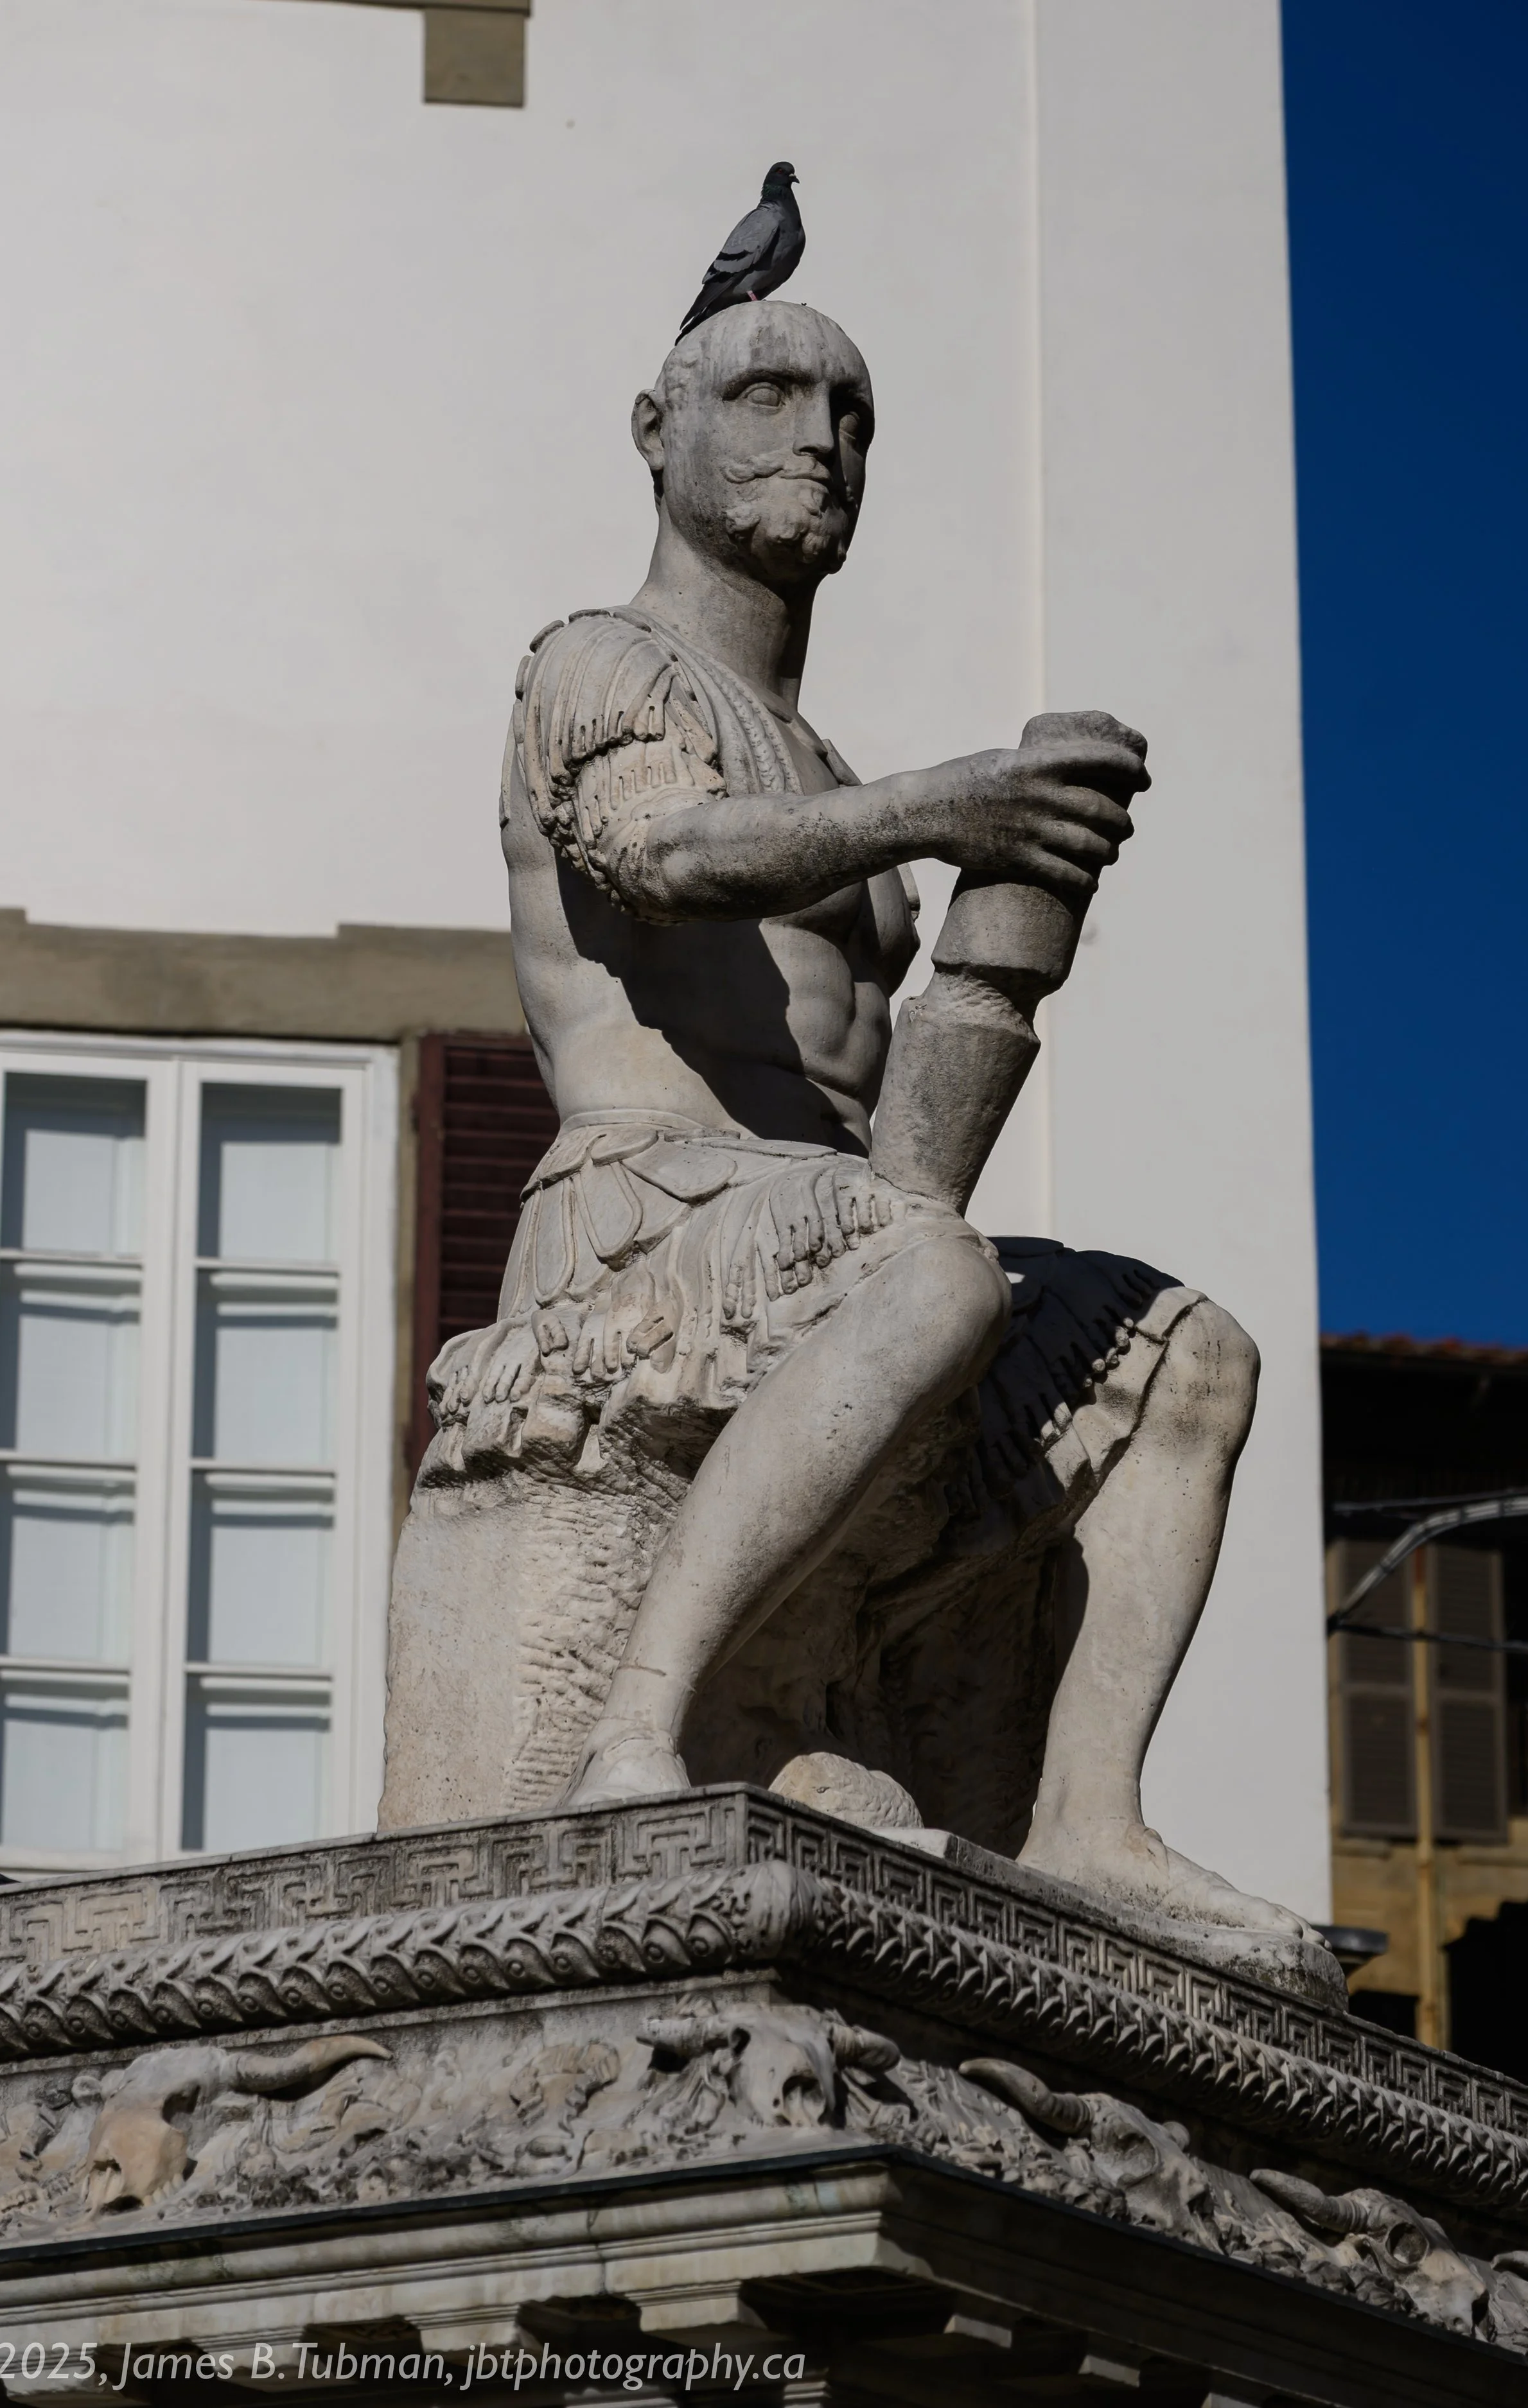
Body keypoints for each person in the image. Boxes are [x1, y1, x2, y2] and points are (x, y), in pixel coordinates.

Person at [405, 298, 1306, 1944]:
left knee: (1193, 1353)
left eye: (851, 410)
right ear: (653, 430)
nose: (816, 435)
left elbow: (897, 1144)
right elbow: (660, 859)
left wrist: (1008, 921)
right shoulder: (594, 661)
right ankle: (637, 1732)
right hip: (651, 1213)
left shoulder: (821, 762)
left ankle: (1086, 1821)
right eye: (762, 391)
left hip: (845, 1225)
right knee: (939, 1280)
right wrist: (949, 805)